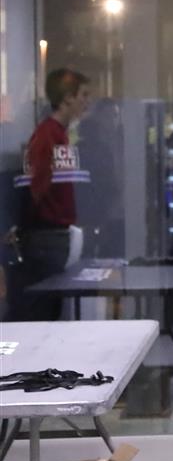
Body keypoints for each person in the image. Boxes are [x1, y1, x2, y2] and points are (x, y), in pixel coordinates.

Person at [10, 68, 91, 321]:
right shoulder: (48, 135)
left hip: (55, 236)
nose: (86, 102)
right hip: (46, 238)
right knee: (44, 313)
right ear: (67, 98)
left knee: (52, 311)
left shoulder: (59, 135)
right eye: (83, 95)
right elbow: (37, 186)